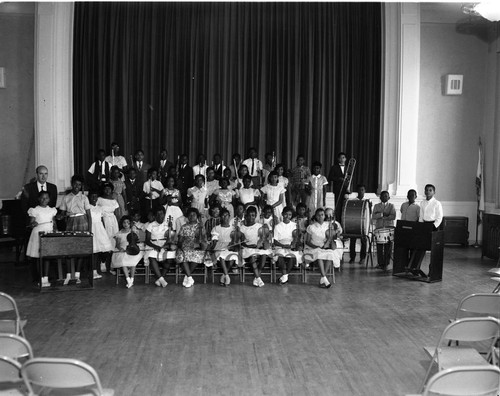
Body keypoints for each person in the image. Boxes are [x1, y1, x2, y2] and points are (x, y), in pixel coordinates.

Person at [21, 165, 58, 283]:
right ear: (37, 174)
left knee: (48, 253)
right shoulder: (29, 187)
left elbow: (52, 206)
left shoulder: (53, 187)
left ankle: (46, 276)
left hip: (48, 226)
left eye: (46, 174)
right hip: (35, 226)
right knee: (35, 253)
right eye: (41, 174)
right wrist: (31, 223)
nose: (43, 176)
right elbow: (24, 207)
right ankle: (36, 278)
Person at [58, 174, 92, 284]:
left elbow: (89, 215)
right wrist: (60, 216)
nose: (77, 186)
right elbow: (62, 213)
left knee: (80, 250)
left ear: (81, 186)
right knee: (69, 250)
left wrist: (89, 231)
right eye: (75, 184)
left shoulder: (84, 198)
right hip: (70, 222)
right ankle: (68, 275)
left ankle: (77, 275)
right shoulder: (66, 197)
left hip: (82, 222)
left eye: (79, 185)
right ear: (72, 184)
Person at [26, 191, 57, 287]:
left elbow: (54, 223)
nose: (44, 200)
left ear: (49, 199)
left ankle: (46, 278)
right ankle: (40, 278)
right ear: (39, 199)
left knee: (47, 257)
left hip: (48, 234)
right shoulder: (34, 210)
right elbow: (31, 224)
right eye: (42, 198)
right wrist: (33, 224)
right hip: (38, 235)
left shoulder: (52, 210)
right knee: (39, 258)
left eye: (46, 198)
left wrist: (55, 230)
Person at [303, 208, 341, 288]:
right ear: (316, 216)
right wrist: (316, 246)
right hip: (313, 247)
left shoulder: (328, 225)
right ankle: (324, 278)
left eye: (322, 215)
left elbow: (333, 236)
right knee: (319, 254)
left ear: (324, 216)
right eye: (318, 215)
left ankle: (323, 278)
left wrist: (334, 232)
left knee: (330, 254)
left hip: (325, 246)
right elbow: (307, 241)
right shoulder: (311, 227)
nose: (320, 216)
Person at [410, 184, 443, 274]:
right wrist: (421, 226)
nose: (428, 192)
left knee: (433, 250)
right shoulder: (422, 203)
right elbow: (421, 216)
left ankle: (432, 271)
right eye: (426, 190)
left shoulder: (437, 203)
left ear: (434, 192)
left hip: (433, 226)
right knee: (421, 247)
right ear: (424, 192)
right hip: (424, 226)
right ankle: (416, 268)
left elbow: (439, 217)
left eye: (430, 190)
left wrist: (433, 226)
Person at [176, 208, 209, 288]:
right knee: (182, 255)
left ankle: (187, 276)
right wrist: (181, 246)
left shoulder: (201, 227)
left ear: (197, 216)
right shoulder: (184, 227)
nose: (191, 216)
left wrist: (198, 243)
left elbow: (203, 239)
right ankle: (189, 277)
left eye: (194, 215)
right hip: (185, 246)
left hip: (196, 246)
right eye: (190, 215)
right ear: (187, 217)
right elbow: (180, 240)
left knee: (198, 254)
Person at [240, 206, 272, 287]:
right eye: (249, 215)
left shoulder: (259, 226)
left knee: (263, 255)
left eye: (253, 215)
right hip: (248, 248)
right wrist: (249, 245)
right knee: (252, 257)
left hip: (258, 247)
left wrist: (259, 244)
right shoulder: (242, 228)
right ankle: (258, 277)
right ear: (246, 216)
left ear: (255, 216)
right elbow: (242, 242)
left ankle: (257, 277)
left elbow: (263, 239)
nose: (251, 217)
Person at [145, 206, 176, 288]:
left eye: (161, 214)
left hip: (164, 244)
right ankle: (161, 279)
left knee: (170, 257)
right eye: (157, 214)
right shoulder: (150, 225)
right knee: (151, 256)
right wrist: (156, 246)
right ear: (154, 216)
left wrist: (170, 229)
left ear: (164, 214)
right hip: (153, 244)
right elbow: (147, 240)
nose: (160, 216)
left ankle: (160, 278)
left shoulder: (168, 224)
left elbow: (170, 238)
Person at [111, 216, 143, 288]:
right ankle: (128, 279)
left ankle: (132, 279)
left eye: (128, 223)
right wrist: (120, 248)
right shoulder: (119, 233)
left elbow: (137, 241)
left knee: (133, 261)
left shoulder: (133, 231)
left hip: (132, 248)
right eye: (124, 223)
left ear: (130, 224)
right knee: (123, 261)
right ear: (122, 223)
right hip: (123, 249)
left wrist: (134, 233)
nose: (126, 224)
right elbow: (117, 245)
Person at [273, 206, 302, 285]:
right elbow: (275, 241)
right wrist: (283, 246)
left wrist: (293, 244)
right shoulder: (278, 226)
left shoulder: (294, 225)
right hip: (280, 245)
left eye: (289, 215)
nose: (287, 216)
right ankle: (285, 276)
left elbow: (296, 238)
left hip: (290, 245)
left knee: (292, 257)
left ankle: (284, 277)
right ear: (282, 214)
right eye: (286, 214)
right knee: (280, 257)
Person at [210, 208, 238, 286]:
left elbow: (235, 241)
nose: (225, 217)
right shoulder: (216, 228)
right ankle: (227, 276)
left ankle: (224, 275)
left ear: (229, 216)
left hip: (230, 248)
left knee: (233, 255)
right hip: (220, 247)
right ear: (220, 217)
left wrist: (232, 245)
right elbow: (215, 241)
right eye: (223, 215)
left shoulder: (233, 228)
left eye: (227, 215)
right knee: (221, 254)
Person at [88, 191, 113, 278]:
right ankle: (94, 271)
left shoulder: (100, 208)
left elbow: (102, 220)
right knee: (94, 251)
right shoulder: (88, 207)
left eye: (95, 196)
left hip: (100, 228)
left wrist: (104, 230)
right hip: (92, 228)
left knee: (105, 248)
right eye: (92, 196)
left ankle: (103, 262)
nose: (94, 198)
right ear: (89, 198)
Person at [372, 191, 396, 270]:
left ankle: (386, 263)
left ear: (389, 198)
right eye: (383, 196)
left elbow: (393, 216)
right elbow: (374, 216)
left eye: (386, 196)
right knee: (379, 246)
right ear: (380, 197)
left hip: (388, 229)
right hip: (379, 228)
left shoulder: (391, 206)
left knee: (388, 246)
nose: (384, 197)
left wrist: (384, 217)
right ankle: (380, 263)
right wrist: (382, 214)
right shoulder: (376, 206)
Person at [97, 182, 120, 264]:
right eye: (105, 189)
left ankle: (111, 263)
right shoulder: (99, 199)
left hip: (113, 221)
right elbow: (96, 212)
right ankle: (102, 262)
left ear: (112, 190)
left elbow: (117, 213)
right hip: (103, 220)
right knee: (104, 240)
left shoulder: (114, 201)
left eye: (109, 189)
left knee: (113, 240)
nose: (107, 190)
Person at [348, 184, 369, 265]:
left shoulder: (367, 202)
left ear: (365, 191)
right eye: (359, 190)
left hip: (363, 225)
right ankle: (352, 258)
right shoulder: (353, 201)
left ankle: (362, 258)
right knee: (352, 241)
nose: (361, 191)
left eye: (363, 190)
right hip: (355, 224)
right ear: (357, 191)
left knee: (364, 241)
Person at [328, 152, 349, 222]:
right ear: (338, 159)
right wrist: (339, 179)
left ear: (345, 159)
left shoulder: (348, 168)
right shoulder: (334, 167)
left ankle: (345, 222)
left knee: (345, 206)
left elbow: (350, 179)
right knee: (338, 206)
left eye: (343, 157)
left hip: (346, 190)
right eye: (340, 158)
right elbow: (330, 177)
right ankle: (338, 222)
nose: (342, 159)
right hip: (338, 189)